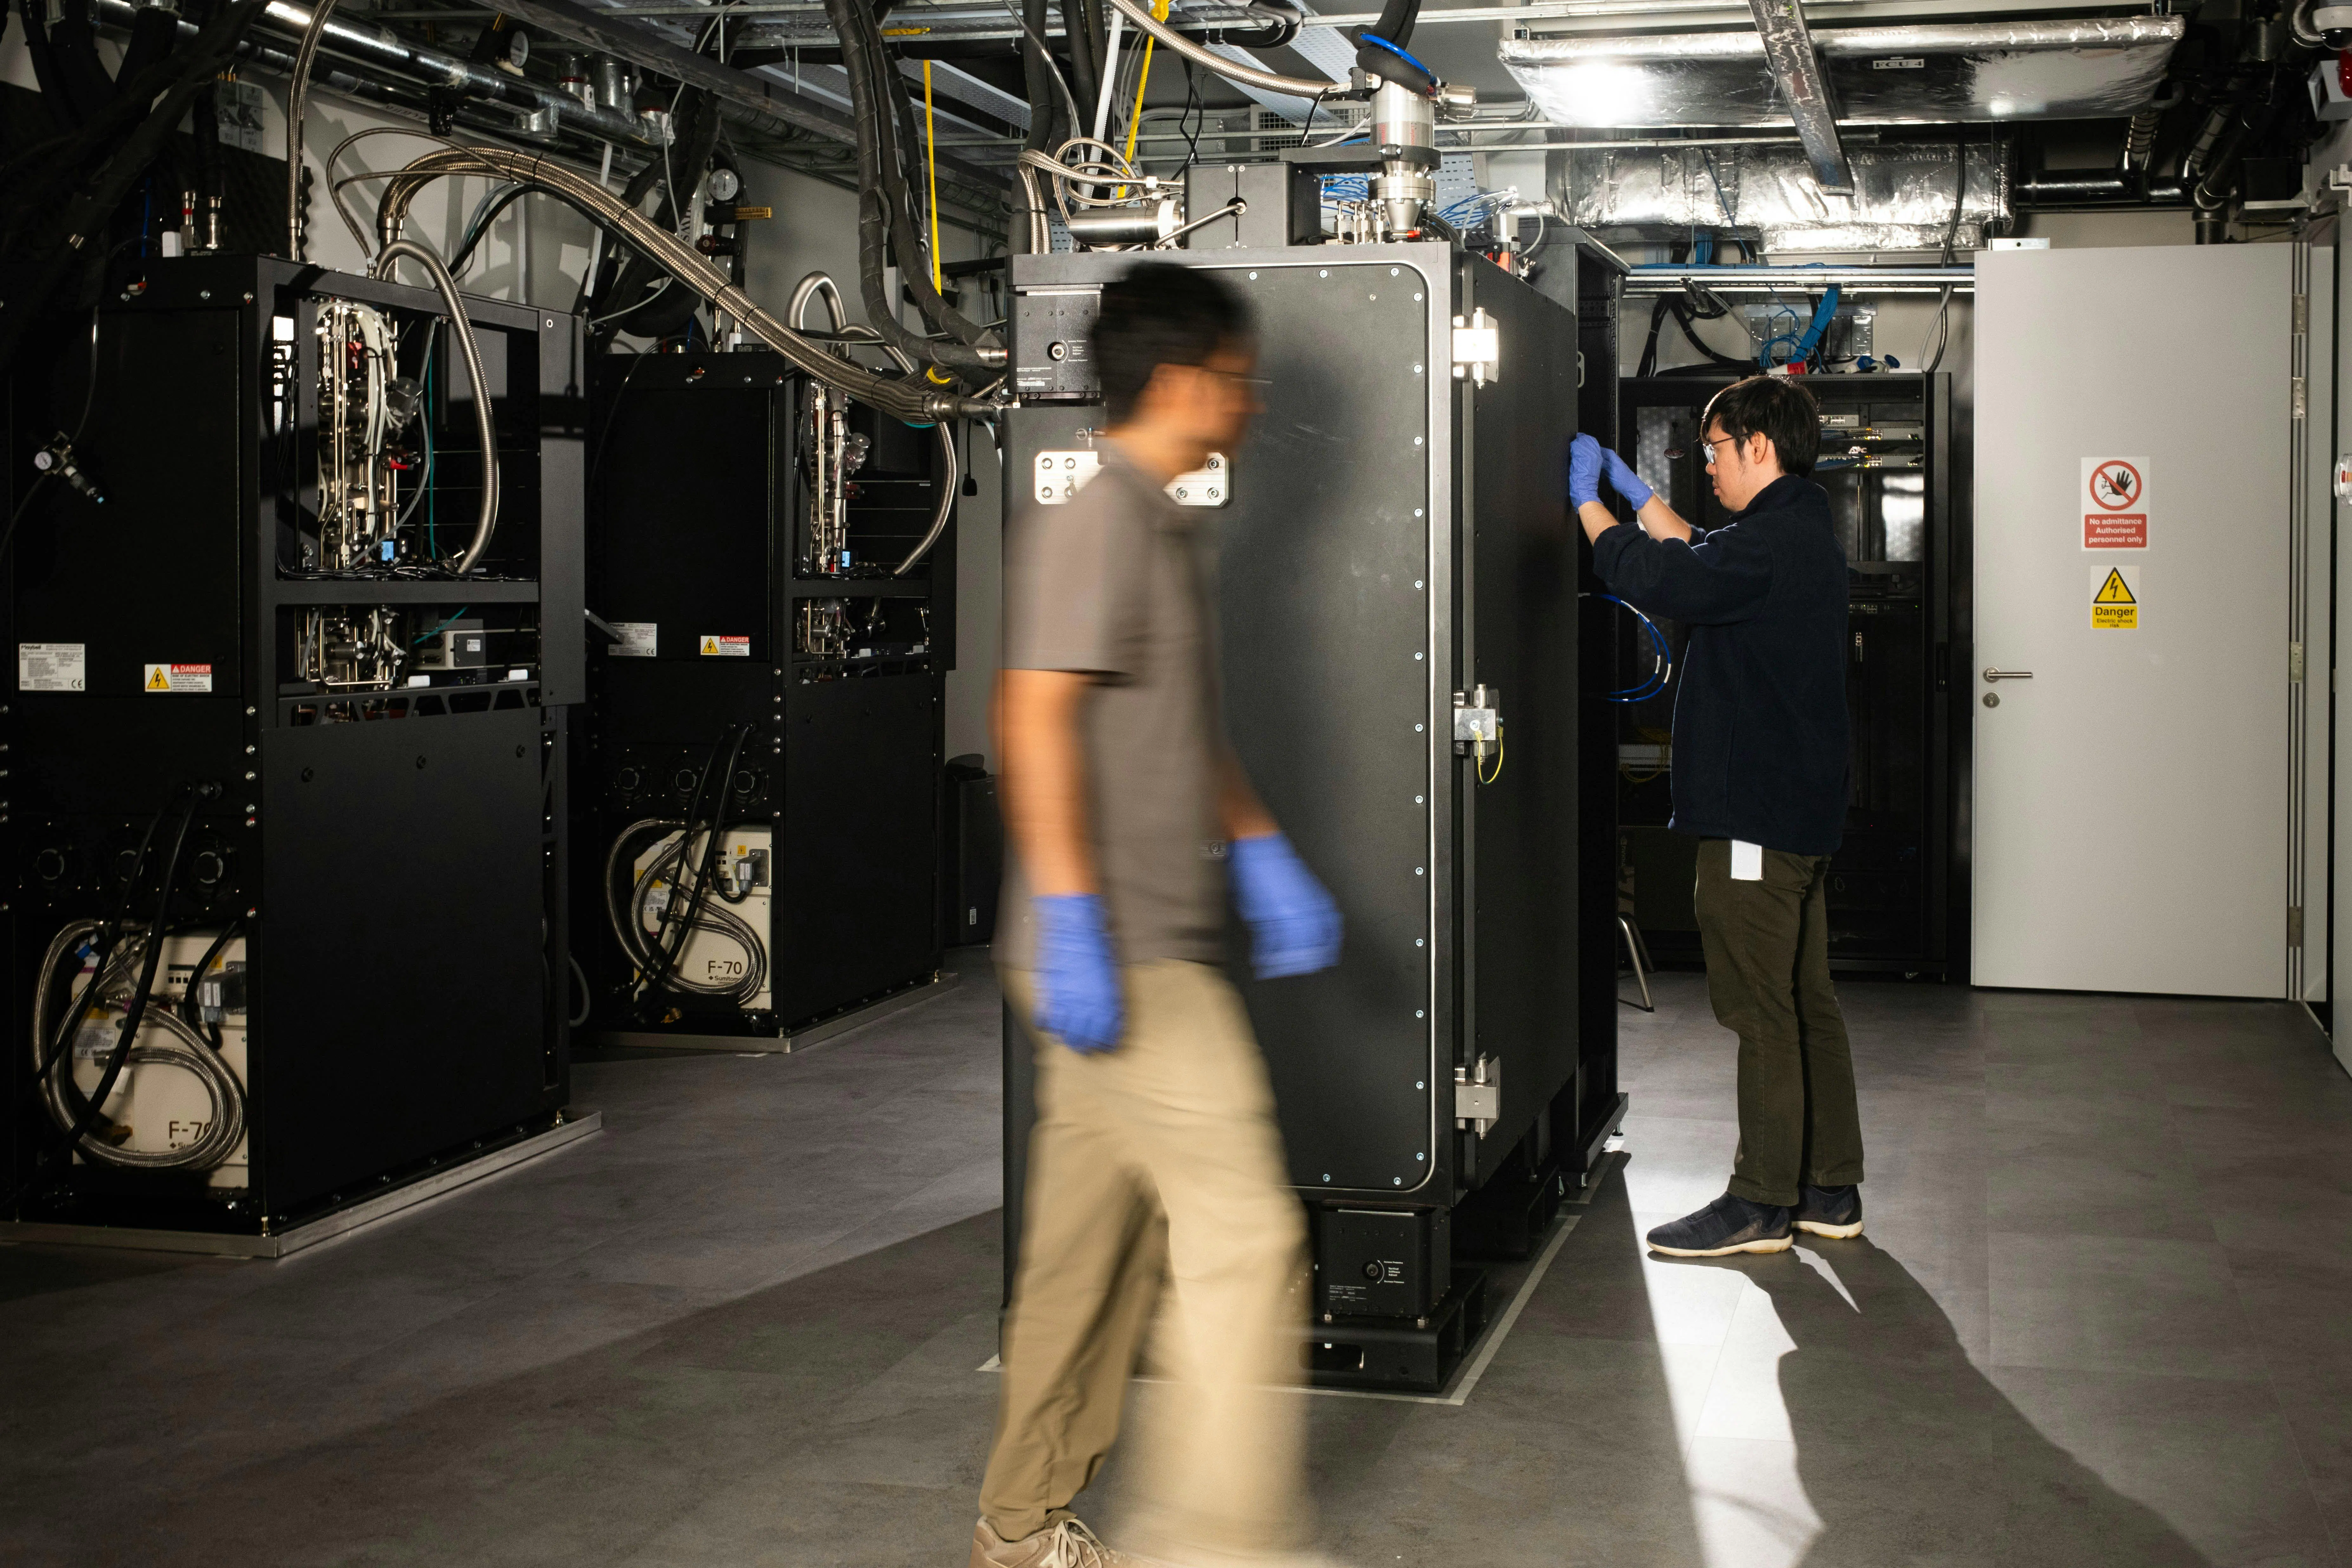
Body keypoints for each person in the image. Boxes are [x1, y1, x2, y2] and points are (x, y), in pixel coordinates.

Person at [976, 261, 1344, 1568]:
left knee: (1087, 1266)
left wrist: (1257, 845)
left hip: (1124, 949)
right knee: (1247, 1239)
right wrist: (1077, 918)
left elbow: (1176, 732)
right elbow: (1029, 717)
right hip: (1125, 960)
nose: (1250, 405)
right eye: (1238, 382)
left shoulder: (1157, 523)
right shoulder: (1103, 522)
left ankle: (1020, 1530)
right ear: (1184, 383)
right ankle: (1219, 1547)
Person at [1568, 375, 1863, 1260]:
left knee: (1759, 1009)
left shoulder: (1768, 545)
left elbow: (1669, 575)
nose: (1709, 466)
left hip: (1754, 822)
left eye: (1716, 450)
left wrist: (1589, 508)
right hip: (1801, 816)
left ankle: (1760, 1201)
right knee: (1806, 1002)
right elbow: (1702, 554)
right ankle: (1829, 1188)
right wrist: (1639, 497)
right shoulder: (1798, 534)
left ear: (1758, 447)